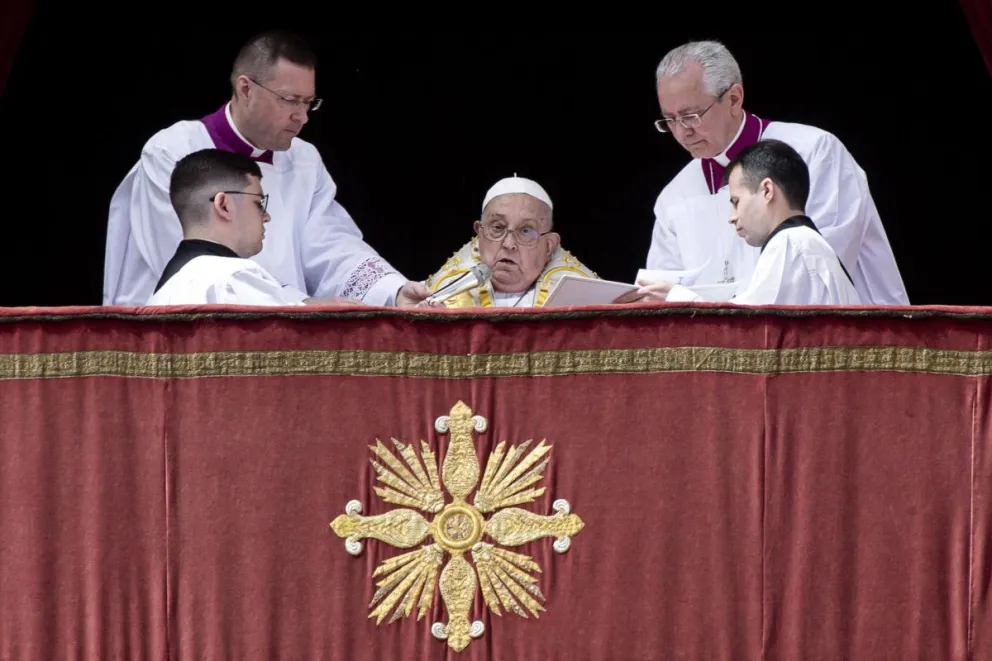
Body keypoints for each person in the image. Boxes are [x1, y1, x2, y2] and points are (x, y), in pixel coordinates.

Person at [103, 29, 428, 307]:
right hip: (183, 339)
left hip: (282, 334)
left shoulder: (304, 160)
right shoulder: (172, 152)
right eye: (290, 100)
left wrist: (390, 291)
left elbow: (331, 244)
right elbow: (195, 267)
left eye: (308, 102)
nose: (302, 117)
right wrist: (299, 305)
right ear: (246, 89)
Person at [645, 40, 907, 305]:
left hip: (848, 338)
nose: (681, 132)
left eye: (691, 116)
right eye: (669, 120)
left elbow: (808, 280)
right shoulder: (674, 196)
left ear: (734, 99)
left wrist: (688, 299)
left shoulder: (813, 152)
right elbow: (659, 296)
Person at [617, 139, 860, 306]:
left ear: (767, 190)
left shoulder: (791, 243)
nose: (732, 217)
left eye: (736, 201)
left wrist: (675, 297)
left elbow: (748, 329)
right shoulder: (808, 243)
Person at [148, 149, 355, 306]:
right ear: (224, 205)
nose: (267, 217)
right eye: (258, 203)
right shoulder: (231, 279)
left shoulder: (161, 294)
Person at [423, 175, 598, 307]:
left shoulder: (586, 300)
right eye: (498, 227)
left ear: (549, 246)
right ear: (479, 234)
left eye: (526, 230)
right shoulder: (437, 297)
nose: (508, 244)